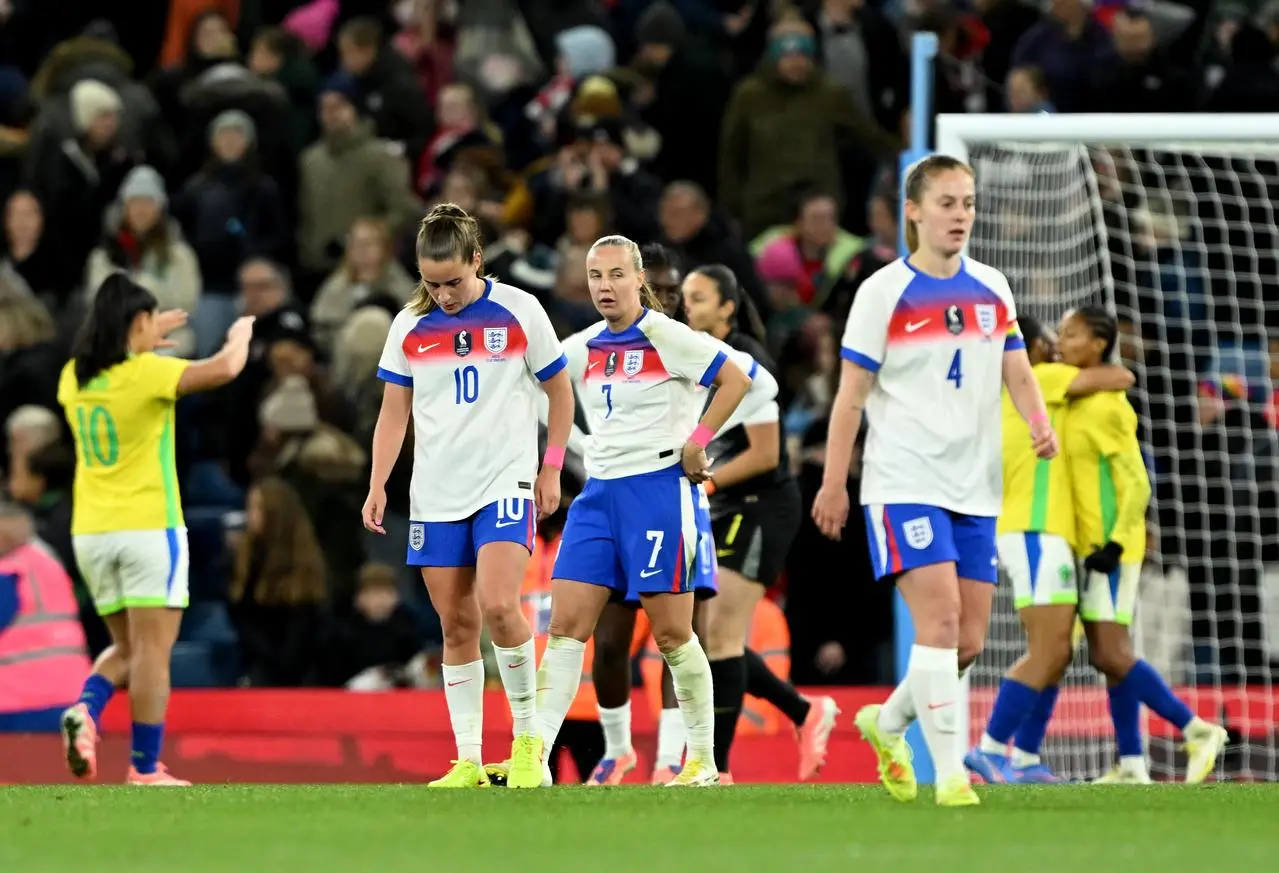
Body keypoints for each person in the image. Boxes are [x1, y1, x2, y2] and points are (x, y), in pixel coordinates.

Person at [812, 154, 1058, 807]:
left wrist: (1037, 421)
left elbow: (1018, 368)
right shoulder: (881, 291)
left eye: (968, 203)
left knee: (969, 638)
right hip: (902, 479)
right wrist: (834, 481)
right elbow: (849, 397)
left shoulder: (992, 287)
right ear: (913, 211)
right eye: (947, 203)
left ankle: (886, 723)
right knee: (941, 620)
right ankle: (948, 772)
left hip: (973, 483)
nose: (960, 215)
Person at [362, 203, 575, 789]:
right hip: (435, 492)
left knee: (502, 606)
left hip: (503, 479)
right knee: (456, 626)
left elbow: (559, 393)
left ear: (477, 260)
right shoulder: (408, 324)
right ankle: (469, 761)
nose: (445, 295)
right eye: (432, 284)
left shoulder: (519, 309)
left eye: (454, 281)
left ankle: (530, 746)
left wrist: (550, 469)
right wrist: (380, 482)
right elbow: (393, 413)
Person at [550, 245, 781, 785]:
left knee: (678, 633)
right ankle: (557, 753)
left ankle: (689, 759)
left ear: (639, 282)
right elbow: (546, 384)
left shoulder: (674, 338)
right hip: (606, 495)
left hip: (667, 496)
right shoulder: (590, 344)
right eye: (595, 276)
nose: (605, 285)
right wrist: (574, 449)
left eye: (616, 275)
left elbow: (754, 384)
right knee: (587, 636)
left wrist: (697, 442)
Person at [1006, 307, 1227, 785]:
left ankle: (1196, 729)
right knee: (1075, 651)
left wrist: (1117, 539)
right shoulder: (1072, 397)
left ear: (1098, 343)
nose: (1062, 340)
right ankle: (1129, 762)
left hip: (1111, 546)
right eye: (1059, 332)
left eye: (1072, 333)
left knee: (1109, 652)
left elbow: (1135, 480)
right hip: (1083, 544)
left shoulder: (1108, 404)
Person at [57, 273, 255, 786]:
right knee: (152, 653)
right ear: (137, 324)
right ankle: (145, 767)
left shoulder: (73, 378)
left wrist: (141, 330)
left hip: (93, 533)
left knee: (125, 650)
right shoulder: (147, 374)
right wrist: (242, 337)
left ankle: (85, 709)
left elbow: (113, 348)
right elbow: (224, 369)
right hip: (148, 527)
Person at [681, 263, 839, 781]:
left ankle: (717, 771)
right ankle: (803, 711)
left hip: (760, 506)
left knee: (721, 637)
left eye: (700, 298)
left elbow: (767, 454)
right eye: (685, 298)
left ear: (727, 306)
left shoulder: (746, 362)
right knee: (709, 637)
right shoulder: (696, 359)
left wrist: (706, 483)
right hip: (727, 506)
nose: (688, 307)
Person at [961, 314, 1134, 784]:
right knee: (1050, 647)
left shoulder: (1018, 392)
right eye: (1053, 339)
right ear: (1033, 346)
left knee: (1056, 652)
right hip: (1035, 531)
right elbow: (1120, 375)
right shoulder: (1042, 378)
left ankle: (1026, 757)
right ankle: (991, 747)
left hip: (1039, 533)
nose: (1059, 346)